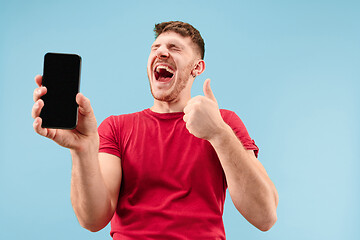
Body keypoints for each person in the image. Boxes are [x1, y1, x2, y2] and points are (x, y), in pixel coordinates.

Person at [32, 21, 278, 239]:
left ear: (197, 67)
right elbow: (92, 220)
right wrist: (82, 150)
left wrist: (219, 134)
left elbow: (265, 216)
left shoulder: (224, 122)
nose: (161, 52)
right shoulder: (117, 128)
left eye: (174, 48)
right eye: (155, 48)